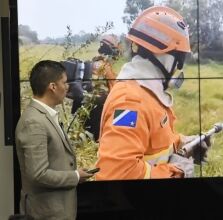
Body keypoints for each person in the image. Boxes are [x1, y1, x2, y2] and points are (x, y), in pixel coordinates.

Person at [95, 6, 210, 180]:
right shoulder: (130, 103)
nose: (179, 68)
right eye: (179, 60)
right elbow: (116, 174)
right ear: (164, 56)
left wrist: (185, 142)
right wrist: (177, 172)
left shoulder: (146, 92)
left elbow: (154, 143)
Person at [15, 60, 93, 219]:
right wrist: (75, 176)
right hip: (46, 213)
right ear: (52, 86)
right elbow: (38, 174)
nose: (68, 87)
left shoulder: (45, 116)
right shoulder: (34, 122)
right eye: (64, 82)